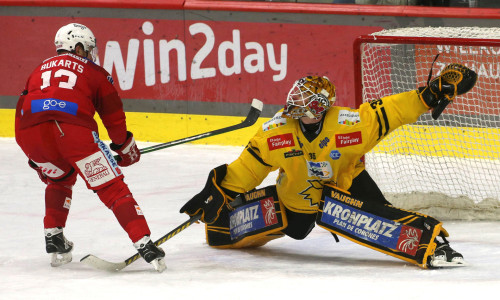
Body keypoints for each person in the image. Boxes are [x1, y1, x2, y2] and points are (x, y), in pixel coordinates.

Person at [180, 64, 477, 269]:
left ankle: (433, 244)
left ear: (321, 106)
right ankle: (220, 227)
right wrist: (218, 192)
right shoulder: (276, 132)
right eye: (294, 98)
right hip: (294, 199)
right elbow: (247, 169)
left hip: (344, 185)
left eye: (303, 101)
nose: (294, 106)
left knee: (381, 217)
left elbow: (393, 110)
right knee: (243, 231)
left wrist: (431, 93)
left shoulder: (349, 125)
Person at [15, 23, 166, 272]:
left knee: (61, 178)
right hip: (73, 131)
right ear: (77, 47)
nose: (90, 54)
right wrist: (124, 146)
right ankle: (145, 244)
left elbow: (23, 105)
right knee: (113, 188)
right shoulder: (94, 71)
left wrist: (35, 156)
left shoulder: (38, 69)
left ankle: (54, 237)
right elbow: (114, 116)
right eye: (88, 49)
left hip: (29, 133)